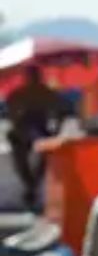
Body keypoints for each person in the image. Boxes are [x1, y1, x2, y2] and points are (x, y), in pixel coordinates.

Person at [5, 65, 63, 207]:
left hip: (36, 132)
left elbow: (59, 113)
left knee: (41, 157)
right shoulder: (40, 93)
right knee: (27, 157)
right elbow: (59, 114)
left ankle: (31, 186)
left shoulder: (43, 93)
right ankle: (31, 185)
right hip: (26, 132)